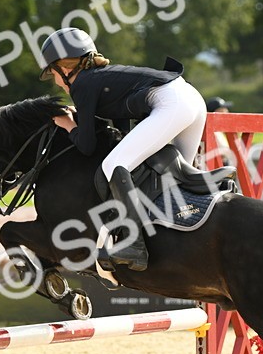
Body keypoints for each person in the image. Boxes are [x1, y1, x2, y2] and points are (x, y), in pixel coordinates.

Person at [39, 27, 206, 271]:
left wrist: (68, 125)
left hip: (172, 102)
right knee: (180, 172)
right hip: (190, 96)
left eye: (52, 73)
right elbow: (123, 132)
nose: (54, 81)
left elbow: (86, 147)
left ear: (63, 69)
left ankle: (133, 245)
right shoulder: (101, 77)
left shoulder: (82, 83)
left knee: (114, 166)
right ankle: (219, 185)